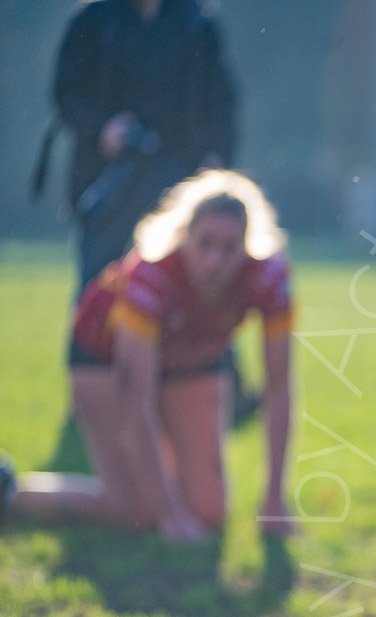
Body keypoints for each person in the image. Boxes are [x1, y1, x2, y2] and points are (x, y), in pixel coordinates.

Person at [1, 171, 295, 543]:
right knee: (137, 512)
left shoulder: (268, 277)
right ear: (184, 237)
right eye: (204, 244)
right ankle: (9, 491)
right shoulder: (151, 275)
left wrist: (274, 501)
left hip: (187, 361)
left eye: (229, 248)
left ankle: (161, 494)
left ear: (248, 246)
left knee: (208, 511)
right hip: (103, 359)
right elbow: (136, 396)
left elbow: (279, 389)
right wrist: (170, 516)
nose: (214, 262)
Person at [40, 0, 259, 420]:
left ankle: (220, 389)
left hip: (180, 179)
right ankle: (91, 395)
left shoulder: (196, 23)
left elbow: (223, 102)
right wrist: (103, 127)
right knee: (100, 284)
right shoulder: (94, 21)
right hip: (112, 176)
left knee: (200, 280)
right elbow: (66, 94)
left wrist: (218, 162)